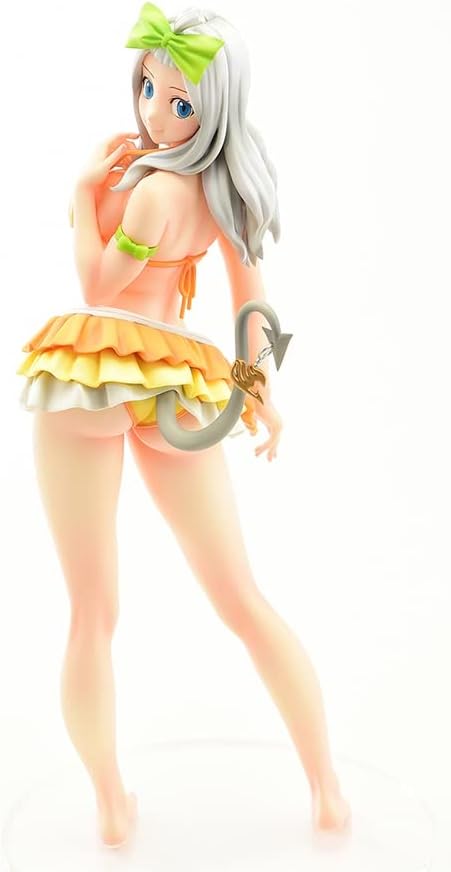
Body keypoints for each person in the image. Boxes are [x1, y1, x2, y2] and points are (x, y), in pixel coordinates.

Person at [16, 2, 351, 848]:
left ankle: (110, 805)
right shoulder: (220, 195)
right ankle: (326, 789)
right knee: (242, 598)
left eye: (178, 102)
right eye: (148, 89)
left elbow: (98, 288)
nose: (155, 111)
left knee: (92, 611)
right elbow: (252, 308)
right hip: (177, 381)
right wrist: (255, 391)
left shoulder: (150, 193)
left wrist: (80, 195)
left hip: (94, 373)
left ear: (214, 109)